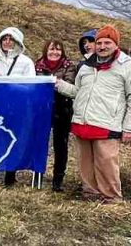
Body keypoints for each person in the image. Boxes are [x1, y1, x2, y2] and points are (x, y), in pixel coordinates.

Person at [56, 25, 131, 203]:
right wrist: (58, 84)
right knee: (85, 163)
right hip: (82, 122)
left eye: (107, 42)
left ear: (116, 44)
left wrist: (128, 127)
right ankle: (90, 193)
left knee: (106, 163)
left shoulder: (126, 66)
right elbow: (78, 91)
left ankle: (111, 198)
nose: (102, 46)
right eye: (99, 42)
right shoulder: (86, 65)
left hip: (107, 124)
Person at [0, 27, 36, 186]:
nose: (7, 42)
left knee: (13, 141)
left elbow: (31, 86)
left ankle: (10, 176)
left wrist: (10, 84)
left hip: (16, 108)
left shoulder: (26, 62)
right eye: (4, 39)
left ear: (17, 42)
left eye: (10, 39)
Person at [34, 40, 77, 192]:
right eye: (52, 49)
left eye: (58, 50)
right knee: (39, 142)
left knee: (61, 145)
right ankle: (37, 177)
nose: (55, 52)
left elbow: (69, 84)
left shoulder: (69, 66)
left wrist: (55, 83)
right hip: (42, 108)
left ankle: (57, 180)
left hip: (62, 108)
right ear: (46, 51)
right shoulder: (37, 65)